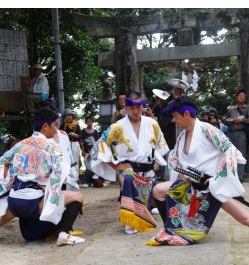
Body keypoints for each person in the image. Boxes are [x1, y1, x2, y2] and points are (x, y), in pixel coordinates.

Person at [145, 96, 249, 246]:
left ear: (186, 114)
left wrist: (217, 178)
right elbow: (177, 160)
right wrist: (183, 175)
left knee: (246, 219)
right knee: (159, 190)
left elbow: (230, 152)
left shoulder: (208, 130)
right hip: (192, 185)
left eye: (175, 116)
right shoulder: (181, 137)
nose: (174, 120)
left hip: (213, 187)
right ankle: (171, 229)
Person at [0, 108, 85, 247]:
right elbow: (62, 171)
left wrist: (10, 182)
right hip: (34, 201)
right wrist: (45, 183)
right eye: (55, 125)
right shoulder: (49, 147)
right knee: (77, 197)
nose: (56, 129)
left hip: (16, 199)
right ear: (45, 126)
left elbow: (1, 162)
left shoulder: (20, 145)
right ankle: (64, 235)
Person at [91, 92, 169, 234]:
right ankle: (129, 221)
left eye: (139, 107)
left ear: (143, 107)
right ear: (126, 107)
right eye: (132, 107)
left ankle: (143, 214)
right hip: (129, 166)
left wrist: (157, 161)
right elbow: (99, 147)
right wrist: (115, 166)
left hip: (148, 168)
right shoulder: (117, 126)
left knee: (146, 203)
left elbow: (160, 145)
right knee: (127, 180)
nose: (135, 111)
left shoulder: (152, 123)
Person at [223, 89, 249, 181]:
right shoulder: (231, 108)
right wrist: (229, 121)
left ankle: (239, 177)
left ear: (245, 98)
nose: (242, 97)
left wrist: (242, 120)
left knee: (241, 154)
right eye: (240, 95)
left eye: (244, 96)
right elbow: (225, 120)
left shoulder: (248, 108)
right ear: (236, 97)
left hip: (241, 132)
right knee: (230, 154)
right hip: (230, 133)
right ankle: (230, 175)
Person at [60, 108, 82, 176]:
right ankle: (68, 177)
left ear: (72, 117)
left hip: (75, 143)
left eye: (70, 115)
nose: (69, 117)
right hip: (66, 144)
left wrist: (75, 135)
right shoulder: (62, 126)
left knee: (75, 160)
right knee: (66, 160)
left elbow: (80, 136)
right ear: (65, 117)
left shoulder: (76, 125)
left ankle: (76, 177)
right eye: (67, 115)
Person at [80, 115, 100, 188]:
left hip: (94, 152)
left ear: (93, 122)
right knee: (88, 167)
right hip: (86, 152)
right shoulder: (83, 131)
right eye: (88, 121)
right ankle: (86, 181)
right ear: (86, 122)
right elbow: (81, 141)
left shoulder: (95, 132)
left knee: (94, 166)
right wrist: (82, 150)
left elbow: (98, 143)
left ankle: (94, 181)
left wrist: (97, 152)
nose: (89, 123)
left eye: (90, 121)